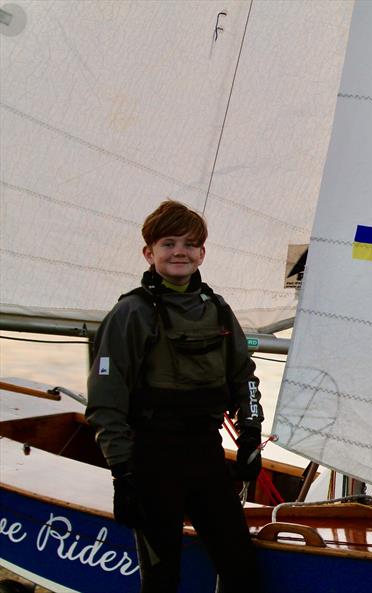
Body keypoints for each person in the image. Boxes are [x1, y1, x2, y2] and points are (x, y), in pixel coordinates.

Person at [86, 200, 264, 592]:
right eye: (168, 243)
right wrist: (122, 474)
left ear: (202, 253)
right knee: (161, 577)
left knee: (241, 568)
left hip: (205, 454)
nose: (179, 252)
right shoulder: (131, 313)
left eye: (189, 244)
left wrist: (251, 434)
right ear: (149, 253)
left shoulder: (217, 310)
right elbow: (105, 400)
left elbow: (245, 378)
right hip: (151, 460)